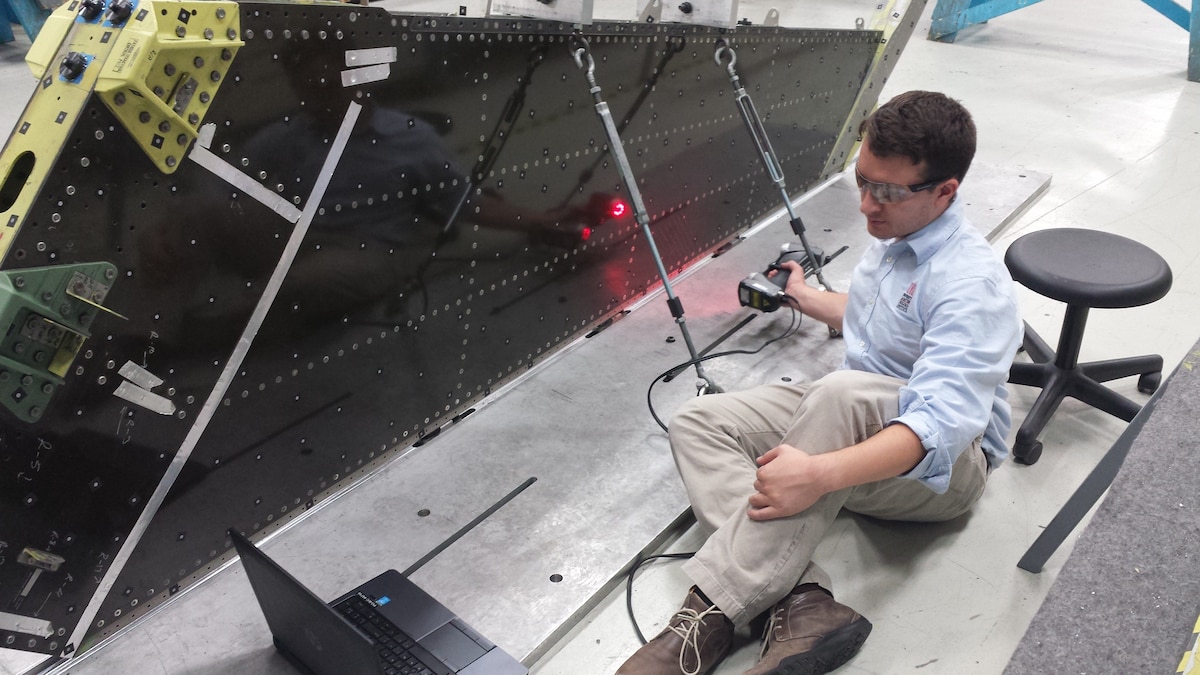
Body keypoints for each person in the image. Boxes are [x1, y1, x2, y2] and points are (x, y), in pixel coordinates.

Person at [615, 91, 1023, 675]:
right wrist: (802, 297)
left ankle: (709, 613)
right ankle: (803, 603)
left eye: (886, 192)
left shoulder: (971, 284)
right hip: (855, 415)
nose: (866, 205)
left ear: (944, 192)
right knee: (700, 421)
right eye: (862, 181)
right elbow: (878, 315)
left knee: (838, 393)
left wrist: (819, 475)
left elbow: (939, 428)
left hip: (946, 471)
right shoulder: (897, 238)